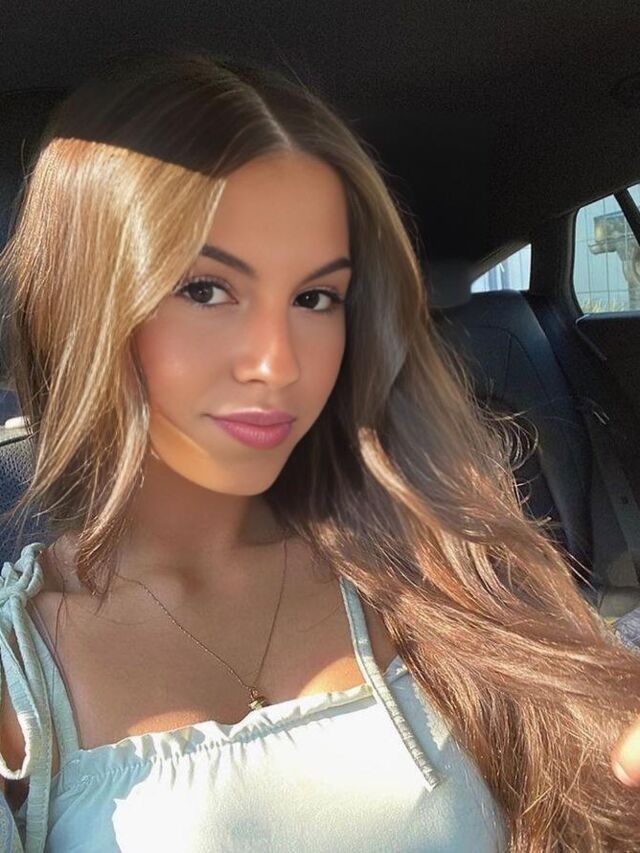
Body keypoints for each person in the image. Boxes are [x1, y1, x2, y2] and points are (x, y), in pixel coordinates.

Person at [0, 47, 638, 852]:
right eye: (205, 289)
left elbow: (589, 738)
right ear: (86, 307)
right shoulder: (22, 670)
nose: (278, 362)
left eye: (315, 297)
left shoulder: (432, 561)